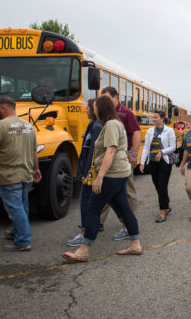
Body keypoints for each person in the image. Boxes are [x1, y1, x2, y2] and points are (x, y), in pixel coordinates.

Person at [62, 96, 142, 262]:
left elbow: (110, 151)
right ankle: (135, 244)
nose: (92, 109)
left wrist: (99, 177)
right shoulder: (112, 123)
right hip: (118, 173)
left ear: (102, 108)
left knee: (93, 209)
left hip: (111, 174)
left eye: (95, 106)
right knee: (124, 209)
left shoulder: (112, 124)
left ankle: (83, 251)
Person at [0, 97, 41, 251]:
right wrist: (36, 169)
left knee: (15, 208)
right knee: (22, 206)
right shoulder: (29, 126)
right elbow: (33, 151)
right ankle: (17, 232)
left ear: (3, 108)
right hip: (26, 173)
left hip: (8, 175)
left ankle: (23, 241)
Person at [99, 87, 141, 241]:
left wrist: (134, 154)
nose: (103, 101)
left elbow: (136, 133)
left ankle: (130, 223)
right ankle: (98, 222)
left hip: (122, 155)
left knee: (128, 190)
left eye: (107, 98)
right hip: (107, 156)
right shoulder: (104, 114)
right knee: (104, 189)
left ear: (116, 98)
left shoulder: (126, 113)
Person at [67, 99, 102, 247]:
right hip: (89, 171)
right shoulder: (92, 125)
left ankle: (85, 234)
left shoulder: (96, 126)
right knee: (114, 202)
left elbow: (92, 152)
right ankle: (129, 229)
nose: (86, 110)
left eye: (88, 108)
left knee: (86, 203)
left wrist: (86, 171)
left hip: (90, 172)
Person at [140, 110, 176, 223]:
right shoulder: (150, 131)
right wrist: (142, 162)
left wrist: (162, 152)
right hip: (152, 162)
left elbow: (173, 147)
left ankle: (162, 211)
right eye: (153, 117)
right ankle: (167, 204)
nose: (153, 119)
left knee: (162, 186)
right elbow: (146, 147)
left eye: (155, 117)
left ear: (162, 118)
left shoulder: (169, 130)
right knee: (158, 186)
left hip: (164, 162)